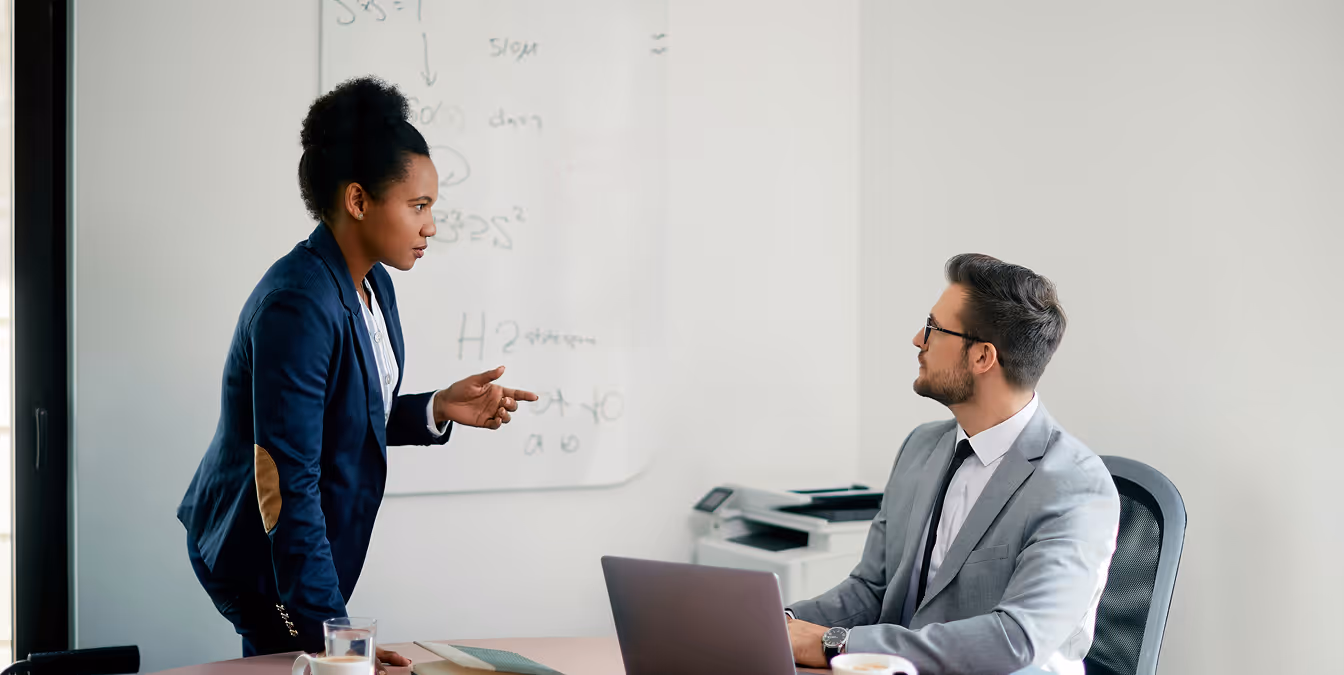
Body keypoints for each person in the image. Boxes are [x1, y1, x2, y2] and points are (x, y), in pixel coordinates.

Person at [176, 77, 538, 668]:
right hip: (258, 551)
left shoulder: (374, 283)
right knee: (309, 665)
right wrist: (339, 640)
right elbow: (285, 483)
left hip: (294, 544)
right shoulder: (298, 305)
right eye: (419, 206)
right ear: (358, 201)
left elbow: (345, 413)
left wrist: (437, 407)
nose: (431, 226)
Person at [785, 254, 1120, 675]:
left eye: (932, 328)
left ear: (982, 357)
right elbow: (872, 590)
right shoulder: (922, 447)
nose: (916, 340)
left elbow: (1015, 639)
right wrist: (780, 625)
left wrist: (834, 644)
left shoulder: (1075, 485)